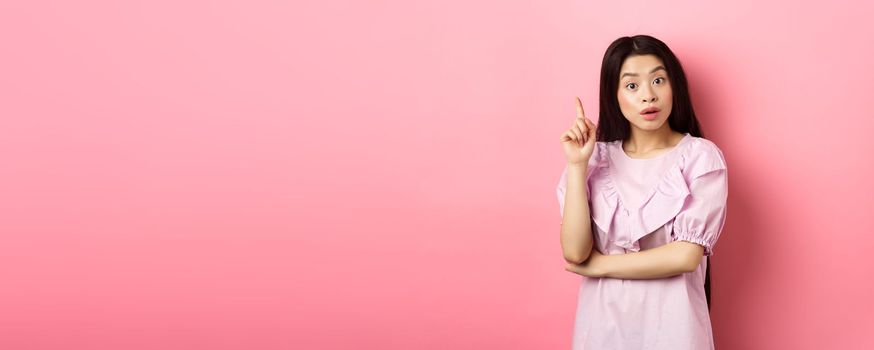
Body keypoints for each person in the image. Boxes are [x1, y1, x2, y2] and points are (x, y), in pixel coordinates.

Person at [556, 34, 728, 349]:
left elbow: (686, 256)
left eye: (659, 80)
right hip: (601, 330)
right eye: (632, 86)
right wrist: (577, 165)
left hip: (675, 331)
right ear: (614, 95)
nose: (648, 96)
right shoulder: (594, 160)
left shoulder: (700, 156)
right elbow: (575, 252)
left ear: (675, 86)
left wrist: (601, 265)